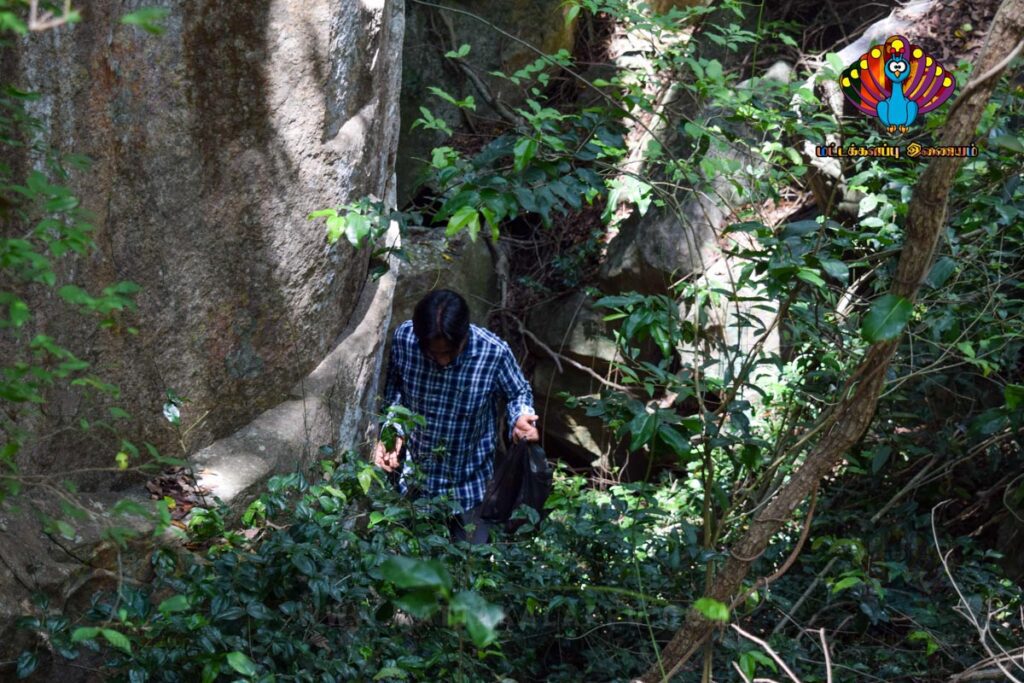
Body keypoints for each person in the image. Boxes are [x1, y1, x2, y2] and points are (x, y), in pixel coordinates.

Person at [373, 289, 539, 543]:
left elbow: (519, 392)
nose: (441, 361)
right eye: (433, 353)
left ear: (465, 336)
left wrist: (520, 417)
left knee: (468, 561)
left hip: (468, 488)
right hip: (412, 481)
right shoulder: (404, 340)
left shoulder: (493, 353)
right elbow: (395, 390)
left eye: (449, 352)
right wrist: (392, 430)